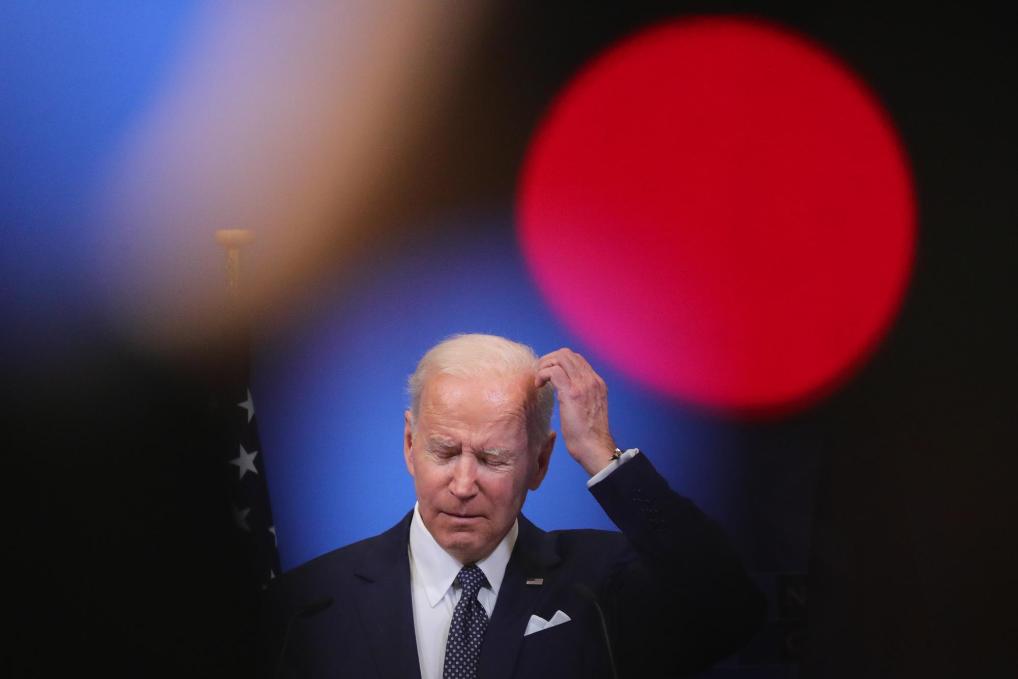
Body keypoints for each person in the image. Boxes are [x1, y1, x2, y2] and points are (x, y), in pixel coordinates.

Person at [262, 334, 764, 678]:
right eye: (444, 452)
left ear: (540, 462)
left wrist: (602, 454)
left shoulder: (601, 586)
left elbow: (732, 610)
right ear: (410, 444)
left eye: (492, 459)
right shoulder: (310, 603)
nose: (463, 484)